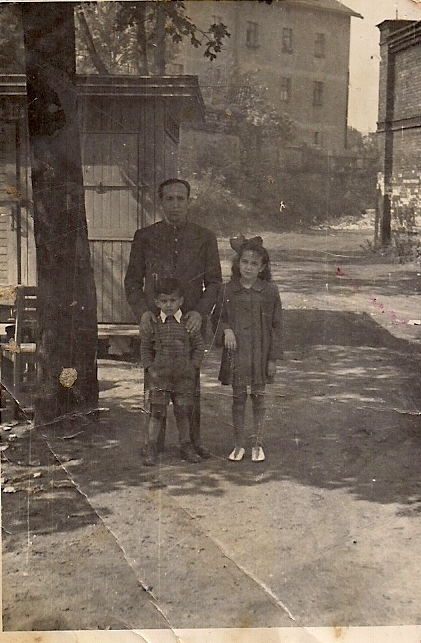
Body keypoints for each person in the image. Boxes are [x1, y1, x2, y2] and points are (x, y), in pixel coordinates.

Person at [124, 178, 222, 458]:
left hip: (189, 322)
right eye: (169, 199)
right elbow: (132, 281)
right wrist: (143, 312)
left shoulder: (205, 237)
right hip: (157, 324)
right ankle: (153, 444)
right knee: (155, 384)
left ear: (189, 202)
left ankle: (191, 442)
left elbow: (214, 283)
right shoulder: (145, 237)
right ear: (161, 202)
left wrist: (200, 313)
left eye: (181, 199)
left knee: (189, 384)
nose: (175, 205)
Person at [212, 235, 283, 462]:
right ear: (237, 263)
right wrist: (226, 330)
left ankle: (257, 444)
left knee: (259, 398)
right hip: (237, 354)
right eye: (245, 262)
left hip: (260, 354)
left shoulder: (270, 291)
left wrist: (272, 359)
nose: (249, 267)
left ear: (262, 267)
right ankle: (238, 444)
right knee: (238, 398)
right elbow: (218, 319)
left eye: (254, 263)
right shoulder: (227, 290)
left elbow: (277, 327)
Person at [140, 278, 204, 466]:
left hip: (183, 376)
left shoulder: (187, 323)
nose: (169, 305)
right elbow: (145, 348)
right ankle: (151, 446)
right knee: (157, 412)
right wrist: (150, 368)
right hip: (160, 376)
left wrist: (193, 366)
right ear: (157, 302)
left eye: (173, 300)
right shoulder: (154, 324)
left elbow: (199, 347)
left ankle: (186, 445)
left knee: (183, 411)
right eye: (164, 301)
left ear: (181, 301)